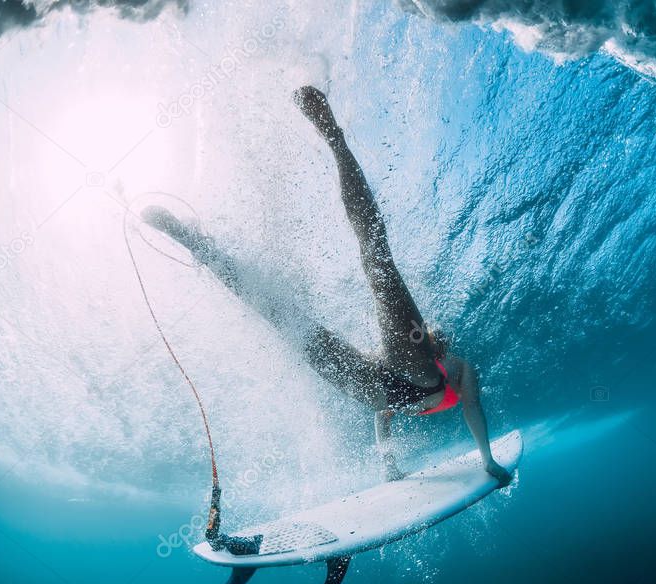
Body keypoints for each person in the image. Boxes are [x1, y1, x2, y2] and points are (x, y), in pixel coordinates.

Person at [141, 85, 511, 487]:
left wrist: (390, 466)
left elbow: (388, 418)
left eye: (438, 335)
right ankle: (333, 137)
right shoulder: (450, 368)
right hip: (393, 380)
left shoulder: (451, 365)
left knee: (297, 308)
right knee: (367, 266)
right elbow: (470, 408)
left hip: (377, 388)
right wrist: (486, 460)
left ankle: (195, 243)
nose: (437, 333)